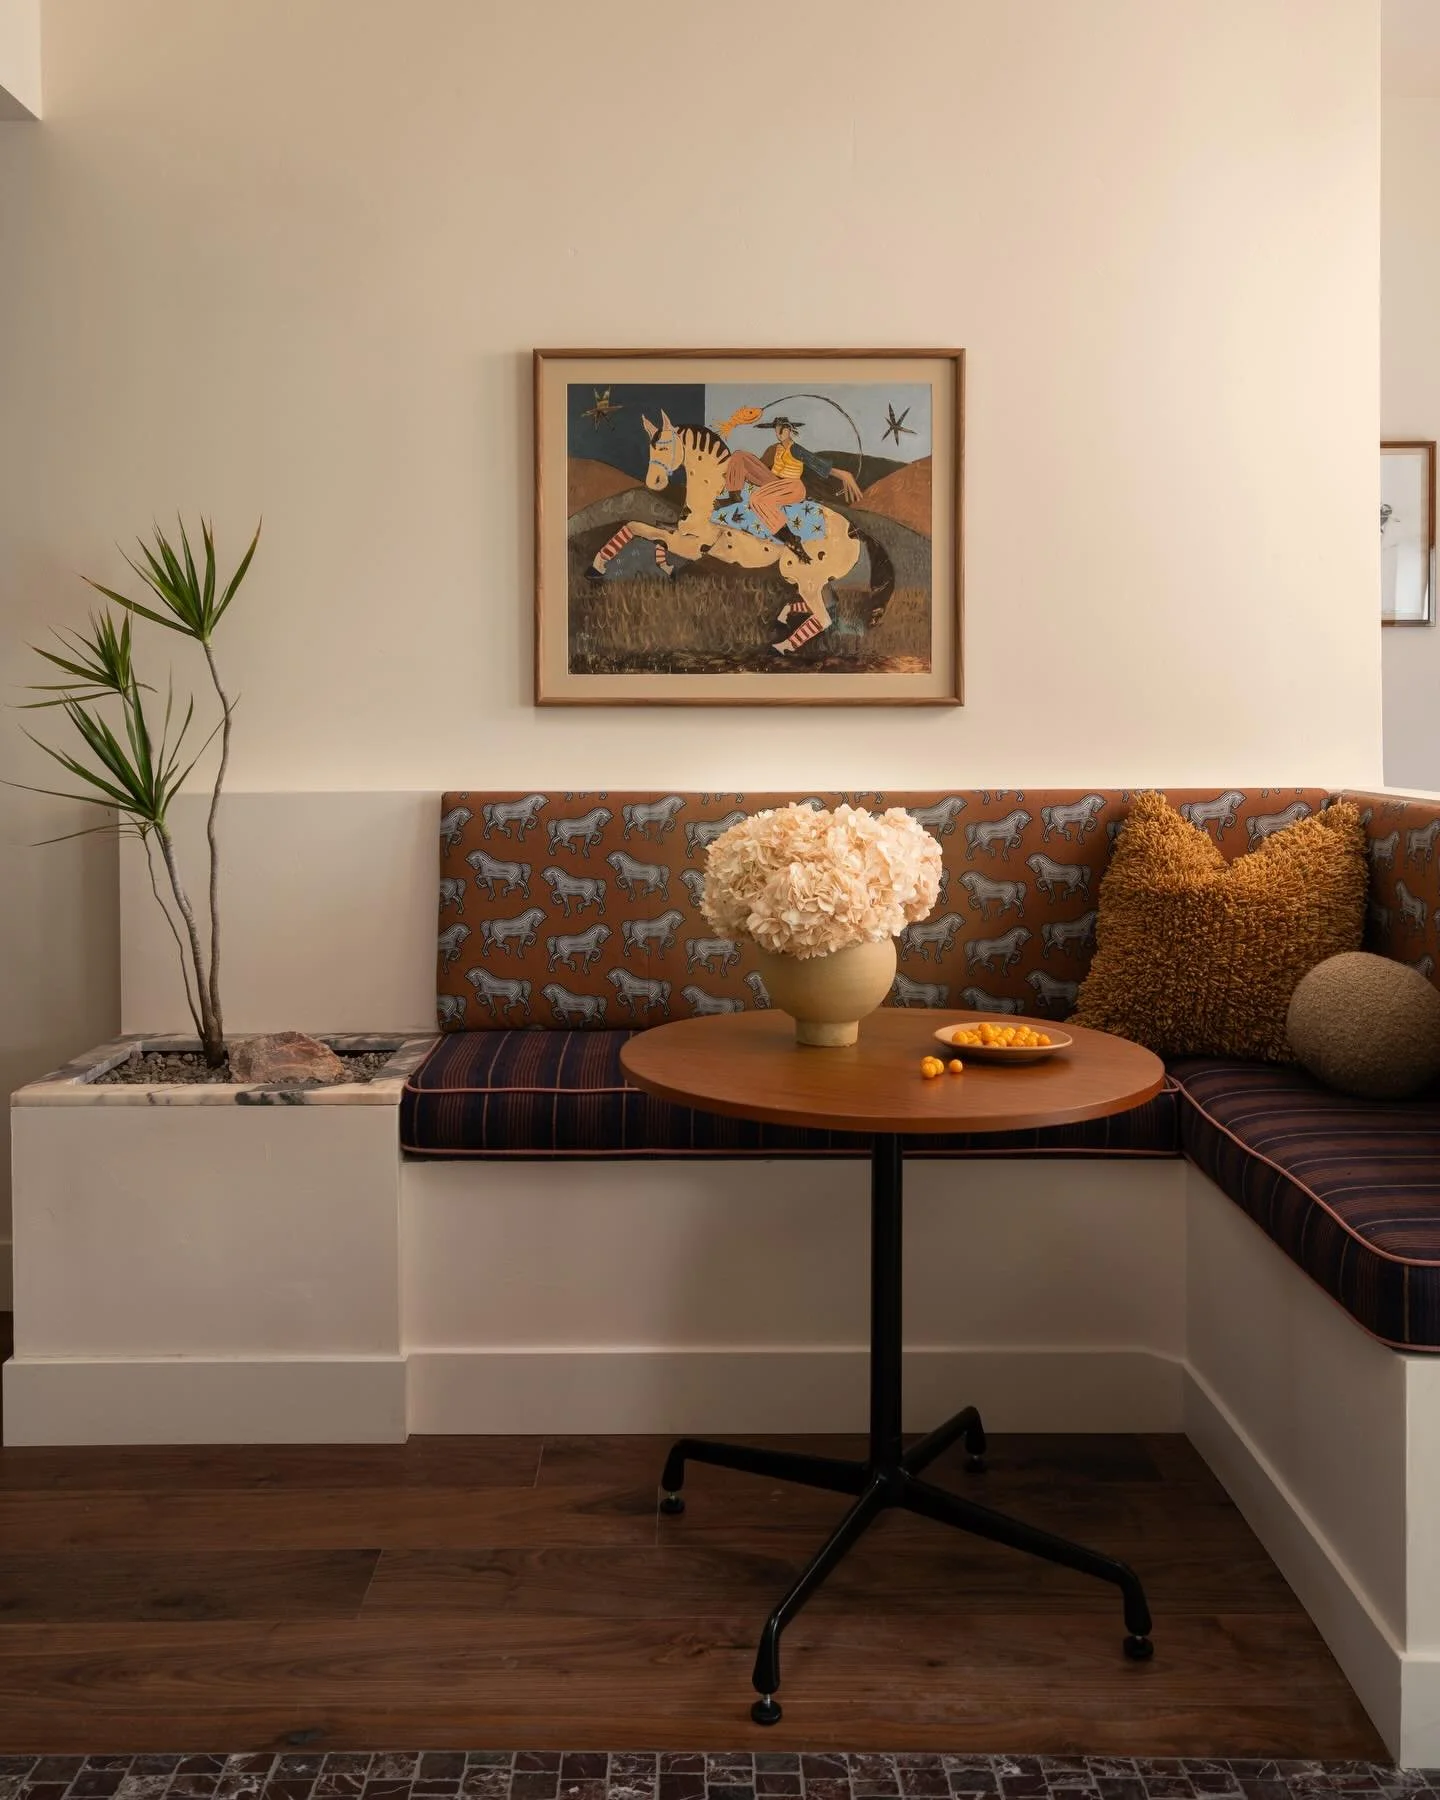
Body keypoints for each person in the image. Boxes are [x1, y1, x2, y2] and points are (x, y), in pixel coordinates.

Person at [716, 417, 863, 560]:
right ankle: (734, 496)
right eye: (776, 429)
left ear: (789, 430)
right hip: (773, 481)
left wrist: (844, 474)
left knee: (758, 499)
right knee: (740, 455)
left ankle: (790, 538)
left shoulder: (796, 449)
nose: (779, 432)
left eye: (783, 429)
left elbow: (819, 464)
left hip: (792, 486)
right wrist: (732, 474)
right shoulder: (774, 449)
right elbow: (758, 467)